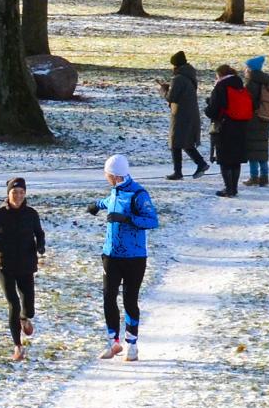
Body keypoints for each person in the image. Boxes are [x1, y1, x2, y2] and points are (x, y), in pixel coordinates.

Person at [86, 153, 159, 359]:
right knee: (108, 297)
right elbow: (109, 201)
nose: (106, 177)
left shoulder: (138, 194)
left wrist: (128, 219)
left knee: (129, 299)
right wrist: (96, 205)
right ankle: (113, 342)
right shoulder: (115, 191)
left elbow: (152, 221)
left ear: (115, 175)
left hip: (134, 256)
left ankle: (132, 344)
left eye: (107, 174)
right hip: (111, 255)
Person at [0, 176, 47, 361]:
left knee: (28, 307)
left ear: (25, 194)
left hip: (26, 265)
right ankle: (17, 346)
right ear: (8, 194)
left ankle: (26, 318)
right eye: (14, 192)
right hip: (5, 265)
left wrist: (41, 246)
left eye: (21, 192)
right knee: (13, 305)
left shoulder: (31, 214)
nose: (18, 196)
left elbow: (39, 234)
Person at [204, 62, 251, 197]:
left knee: (224, 159)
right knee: (236, 159)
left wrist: (208, 107)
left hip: (225, 127)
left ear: (220, 75)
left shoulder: (220, 87)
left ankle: (228, 188)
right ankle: (234, 188)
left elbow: (213, 111)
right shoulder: (240, 85)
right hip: (241, 126)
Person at [162, 51, 208, 180]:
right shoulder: (189, 75)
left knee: (176, 142)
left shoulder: (178, 79)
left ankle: (179, 171)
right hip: (189, 113)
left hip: (181, 114)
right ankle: (200, 163)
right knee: (185, 142)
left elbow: (172, 97)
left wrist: (164, 90)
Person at [242, 54, 269, 187]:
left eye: (246, 67)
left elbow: (248, 102)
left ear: (251, 69)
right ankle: (265, 176)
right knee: (262, 149)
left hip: (253, 119)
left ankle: (254, 177)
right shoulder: (265, 82)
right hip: (264, 118)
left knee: (253, 150)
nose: (244, 70)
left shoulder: (251, 83)